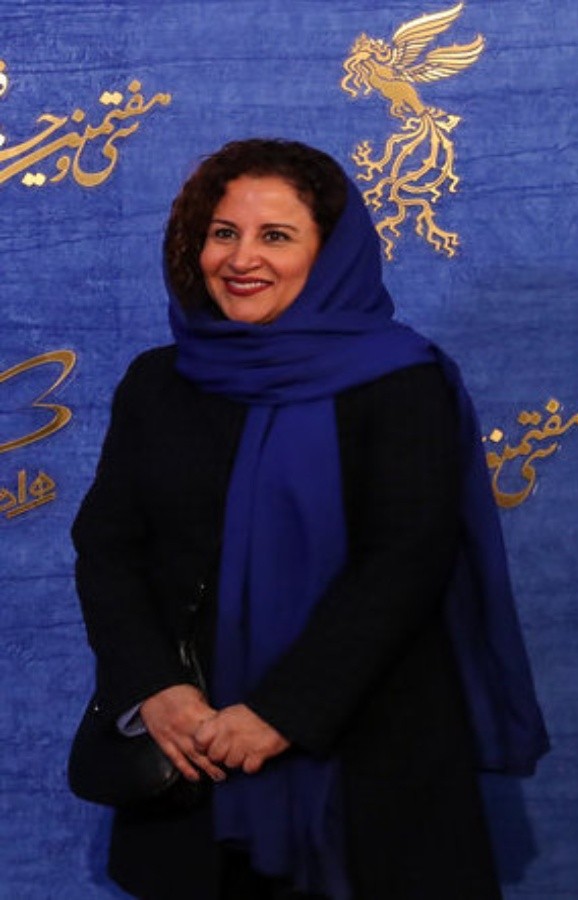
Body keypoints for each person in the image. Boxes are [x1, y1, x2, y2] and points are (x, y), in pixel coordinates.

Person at [72, 138, 549, 899]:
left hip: (365, 760)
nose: (242, 258)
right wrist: (154, 689)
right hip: (193, 752)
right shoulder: (157, 383)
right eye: (222, 233)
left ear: (329, 253)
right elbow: (107, 548)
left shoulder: (402, 382)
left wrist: (280, 712)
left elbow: (406, 560)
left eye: (276, 235)